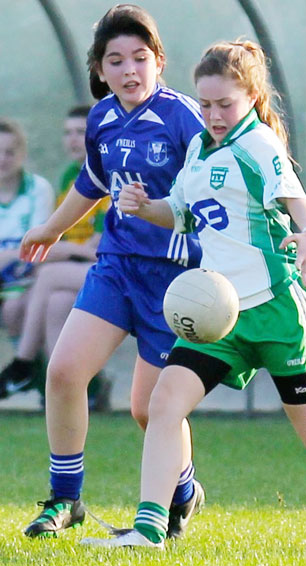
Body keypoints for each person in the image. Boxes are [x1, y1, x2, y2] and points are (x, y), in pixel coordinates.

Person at [79, 39, 306, 549]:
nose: (213, 114)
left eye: (224, 103)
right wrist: (142, 206)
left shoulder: (260, 145)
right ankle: (149, 530)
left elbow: (299, 203)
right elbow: (179, 213)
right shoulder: (200, 147)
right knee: (163, 404)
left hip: (275, 310)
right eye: (204, 104)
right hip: (218, 314)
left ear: (250, 96)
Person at [20, 4, 205, 539]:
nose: (129, 69)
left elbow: (217, 185)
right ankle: (65, 500)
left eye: (140, 58)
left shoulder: (185, 118)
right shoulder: (102, 117)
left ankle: (183, 488)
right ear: (99, 70)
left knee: (149, 411)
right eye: (116, 60)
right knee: (63, 373)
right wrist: (52, 229)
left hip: (175, 282)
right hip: (118, 267)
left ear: (159, 62)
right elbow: (92, 183)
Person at [0, 106, 111, 410]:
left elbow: (98, 244)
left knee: (46, 277)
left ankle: (22, 365)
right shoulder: (69, 176)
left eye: (80, 132)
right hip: (75, 264)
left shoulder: (109, 170)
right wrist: (65, 251)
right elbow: (61, 238)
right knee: (56, 303)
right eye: (68, 132)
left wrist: (64, 252)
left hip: (106, 266)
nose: (73, 139)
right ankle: (70, 392)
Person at [0, 116, 55, 360]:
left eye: (9, 152)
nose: (2, 159)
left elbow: (35, 248)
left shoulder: (38, 189)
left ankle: (31, 371)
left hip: (26, 276)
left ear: (22, 152)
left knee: (14, 309)